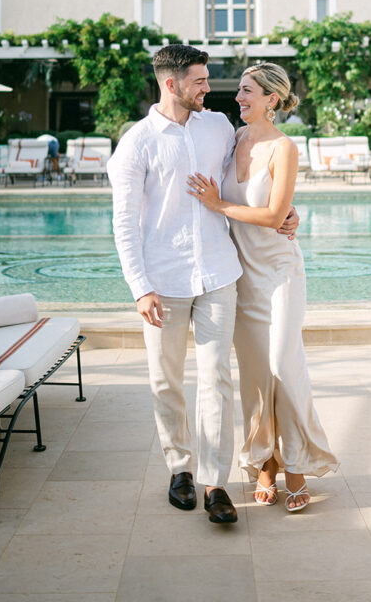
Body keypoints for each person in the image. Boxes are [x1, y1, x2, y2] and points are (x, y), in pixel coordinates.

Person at [108, 44, 297, 525]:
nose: (210, 89)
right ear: (171, 85)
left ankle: (215, 483)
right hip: (163, 281)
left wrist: (290, 214)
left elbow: (255, 174)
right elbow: (125, 222)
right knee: (164, 379)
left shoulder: (218, 129)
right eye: (200, 81)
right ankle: (179, 468)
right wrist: (139, 287)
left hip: (219, 272)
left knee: (217, 377)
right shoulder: (136, 143)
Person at [187, 62, 337, 512]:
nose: (237, 98)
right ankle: (265, 465)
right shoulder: (234, 140)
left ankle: (296, 467)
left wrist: (220, 205)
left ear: (272, 99)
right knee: (255, 377)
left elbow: (274, 216)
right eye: (238, 91)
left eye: (247, 91)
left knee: (283, 365)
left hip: (279, 275)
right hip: (241, 278)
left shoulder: (284, 148)